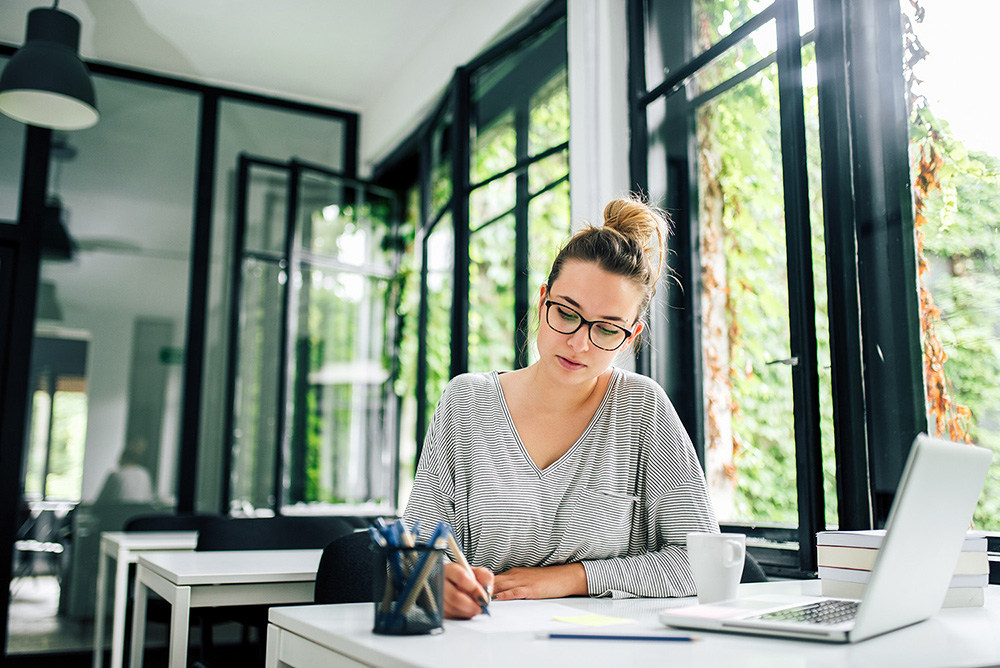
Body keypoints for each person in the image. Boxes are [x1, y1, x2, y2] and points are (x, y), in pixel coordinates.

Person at [402, 195, 720, 620]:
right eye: (567, 314)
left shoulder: (643, 408)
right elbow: (414, 549)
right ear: (542, 300)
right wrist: (433, 582)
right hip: (482, 643)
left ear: (630, 336)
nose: (580, 343)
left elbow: (704, 562)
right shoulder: (466, 402)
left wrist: (574, 577)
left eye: (607, 328)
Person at [95, 436, 154, 505]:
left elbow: (101, 501)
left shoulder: (116, 475)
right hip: (140, 514)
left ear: (123, 458)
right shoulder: (144, 474)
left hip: (118, 514)